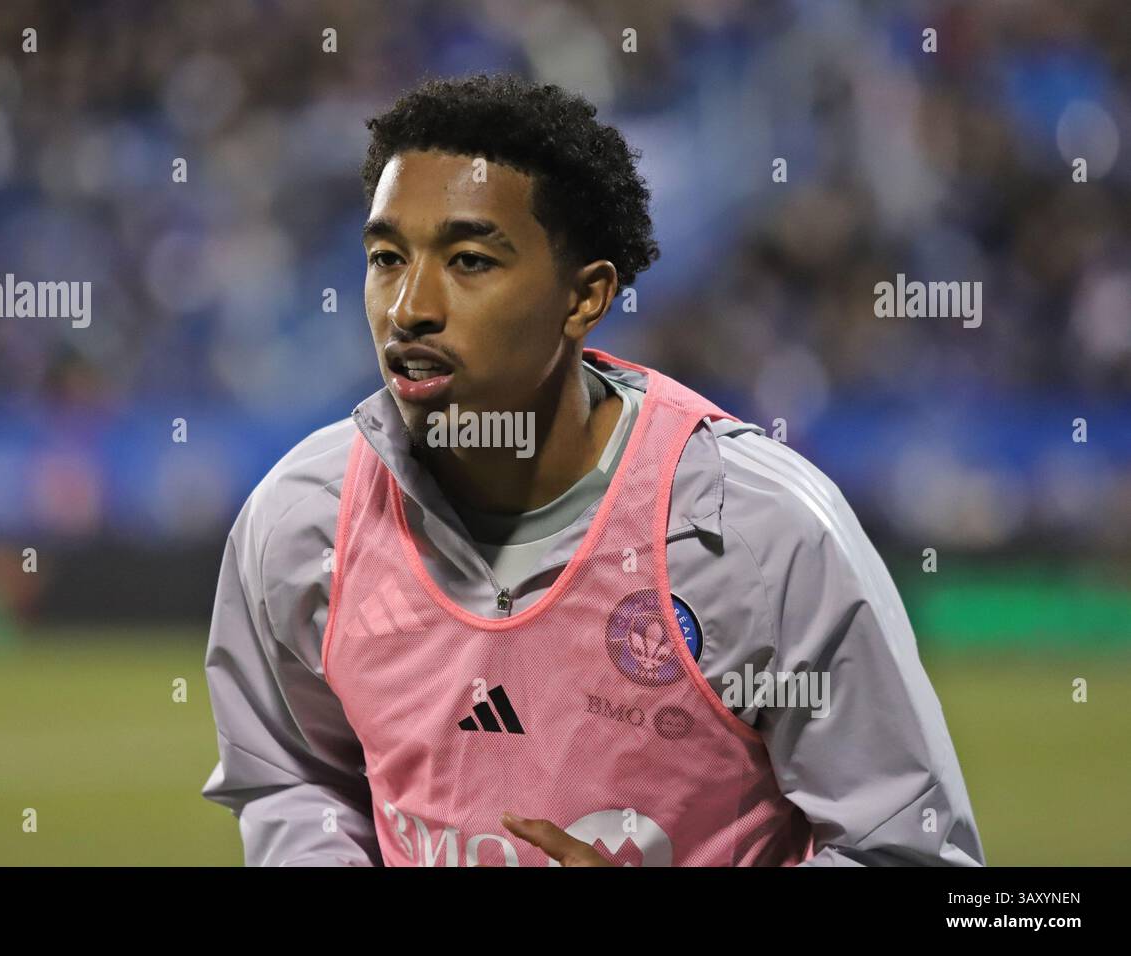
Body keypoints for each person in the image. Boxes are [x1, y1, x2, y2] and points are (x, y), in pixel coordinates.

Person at [201, 73, 985, 867]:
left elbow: (911, 853)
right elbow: (292, 779)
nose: (410, 306)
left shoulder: (756, 535)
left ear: (585, 297)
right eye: (386, 257)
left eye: (469, 260)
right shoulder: (303, 519)